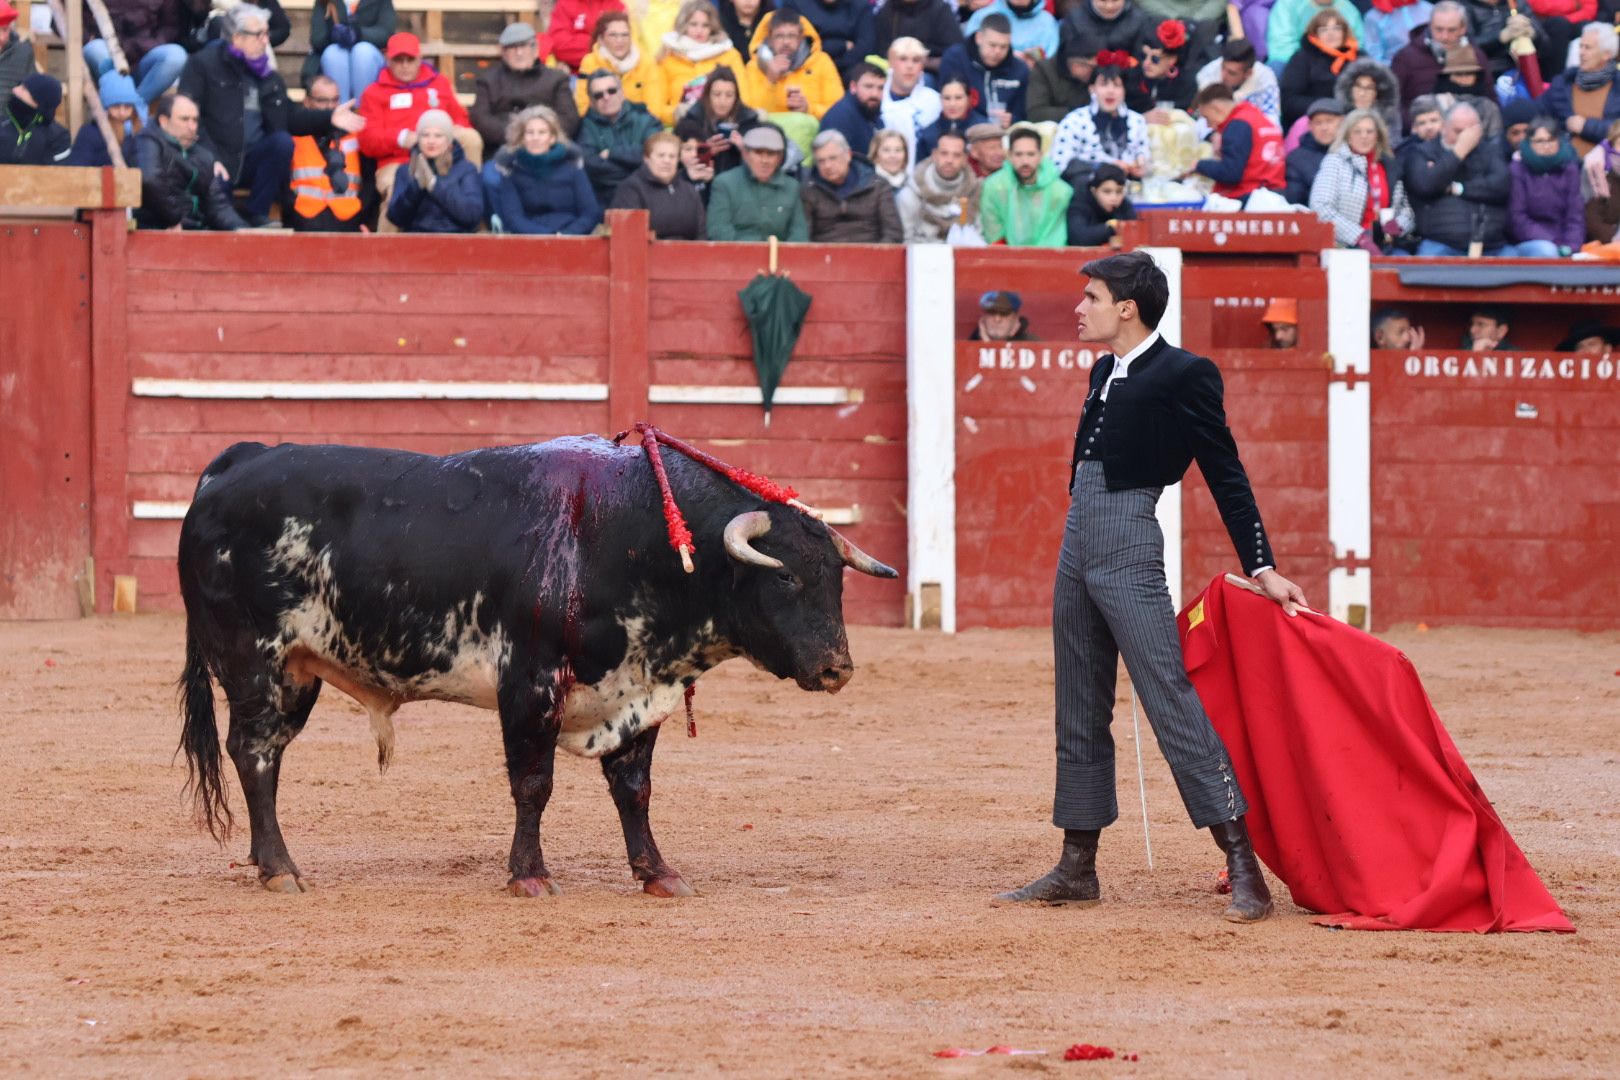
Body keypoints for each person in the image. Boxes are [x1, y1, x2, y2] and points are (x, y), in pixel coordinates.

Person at [996, 250, 1307, 922]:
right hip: (1079, 538)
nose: (1079, 308)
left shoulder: (1186, 372)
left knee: (1169, 694)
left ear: (1126, 307)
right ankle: (1078, 866)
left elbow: (1225, 471)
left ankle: (1243, 862)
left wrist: (1262, 565)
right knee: (1078, 702)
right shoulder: (1103, 368)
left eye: (1092, 298)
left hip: (1131, 539)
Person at [179, 4, 362, 226]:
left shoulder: (267, 74)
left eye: (267, 33)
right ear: (237, 38)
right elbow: (187, 116)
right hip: (215, 159)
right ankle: (225, 224)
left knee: (282, 142)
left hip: (252, 160)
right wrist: (209, 157)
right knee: (214, 185)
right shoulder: (202, 65)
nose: (267, 40)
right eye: (260, 35)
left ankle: (258, 212)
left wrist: (328, 117)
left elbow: (290, 115)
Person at [357, 31, 481, 230]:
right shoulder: (375, 92)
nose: (405, 65)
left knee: (471, 137)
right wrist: (400, 138)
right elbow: (367, 140)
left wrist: (444, 132)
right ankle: (383, 253)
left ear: (420, 59)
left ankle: (473, 190)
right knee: (393, 199)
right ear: (388, 60)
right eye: (398, 60)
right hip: (399, 163)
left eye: (410, 59)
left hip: (445, 161)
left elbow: (460, 118)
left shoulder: (438, 83)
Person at [1403, 102, 1519, 255]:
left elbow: (1501, 186)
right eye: (1458, 131)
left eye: (1470, 131)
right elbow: (1426, 184)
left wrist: (1458, 188)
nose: (1465, 137)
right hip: (1441, 243)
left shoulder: (1491, 151)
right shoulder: (1422, 152)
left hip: (1491, 244)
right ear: (1444, 127)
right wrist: (1458, 152)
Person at [133, 92, 246, 228]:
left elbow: (218, 206)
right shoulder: (147, 141)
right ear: (164, 121)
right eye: (185, 119)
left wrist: (243, 230)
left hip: (195, 232)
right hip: (156, 231)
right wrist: (174, 219)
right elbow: (150, 180)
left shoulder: (203, 156)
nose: (192, 127)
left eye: (195, 120)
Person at [1310, 106, 1414, 250]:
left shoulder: (1390, 164)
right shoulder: (1335, 161)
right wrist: (1359, 237)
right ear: (1348, 136)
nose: (1364, 136)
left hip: (1388, 242)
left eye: (1369, 131)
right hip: (1346, 244)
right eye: (1357, 131)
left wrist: (1398, 226)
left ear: (1378, 135)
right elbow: (1320, 207)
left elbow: (1407, 210)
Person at [472, 22, 580, 154]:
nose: (519, 53)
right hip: (503, 149)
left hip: (549, 150)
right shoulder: (488, 81)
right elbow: (481, 119)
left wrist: (540, 137)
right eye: (512, 47)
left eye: (524, 46)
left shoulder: (557, 79)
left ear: (535, 50)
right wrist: (519, 137)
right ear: (503, 53)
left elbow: (569, 119)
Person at [494, 104, 603, 233]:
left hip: (572, 239)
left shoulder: (572, 167)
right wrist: (547, 238)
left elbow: (590, 212)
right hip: (530, 241)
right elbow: (514, 218)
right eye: (530, 132)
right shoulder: (511, 171)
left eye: (542, 132)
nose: (536, 138)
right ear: (522, 138)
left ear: (552, 138)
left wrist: (567, 235)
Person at [1050, 61, 1150, 185]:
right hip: (1086, 191)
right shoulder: (1074, 120)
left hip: (1129, 189)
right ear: (1092, 89)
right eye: (1104, 84)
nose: (1110, 91)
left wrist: (1140, 167)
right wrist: (1103, 167)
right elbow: (1059, 165)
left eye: (1117, 85)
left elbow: (1144, 157)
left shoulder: (1137, 121)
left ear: (1124, 91)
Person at [576, 70, 665, 206]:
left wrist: (612, 153)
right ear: (592, 101)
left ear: (622, 92)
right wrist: (635, 169)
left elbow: (657, 157)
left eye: (611, 91)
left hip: (649, 195)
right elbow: (592, 167)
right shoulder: (584, 127)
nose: (606, 97)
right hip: (606, 200)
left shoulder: (646, 120)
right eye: (598, 95)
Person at [286, 75, 363, 230]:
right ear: (306, 102)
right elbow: (282, 183)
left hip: (349, 218)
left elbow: (368, 180)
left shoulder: (354, 133)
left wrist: (363, 218)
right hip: (305, 218)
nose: (330, 106)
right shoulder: (293, 136)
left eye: (335, 100)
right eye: (322, 100)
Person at [706, 122, 810, 238]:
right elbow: (719, 231)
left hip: (780, 254)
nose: (764, 160)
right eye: (758, 152)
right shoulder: (724, 183)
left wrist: (781, 254)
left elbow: (799, 234)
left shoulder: (792, 187)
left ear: (780, 158)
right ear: (745, 154)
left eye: (771, 154)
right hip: (736, 254)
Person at [83, 0, 190, 112]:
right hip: (109, 62)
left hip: (144, 59)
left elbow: (170, 26)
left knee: (176, 56)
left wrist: (149, 44)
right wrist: (88, 37)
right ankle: (120, 104)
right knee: (95, 48)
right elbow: (76, 18)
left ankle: (133, 109)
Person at [386, 108, 483, 231]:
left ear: (448, 141)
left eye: (438, 135)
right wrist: (416, 187)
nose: (431, 141)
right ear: (418, 139)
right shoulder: (405, 170)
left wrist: (434, 186)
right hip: (416, 242)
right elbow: (395, 217)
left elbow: (472, 215)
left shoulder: (466, 169)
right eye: (425, 135)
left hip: (457, 242)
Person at [1188, 82, 1286, 201]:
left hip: (1248, 198)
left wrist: (1199, 165)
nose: (1209, 125)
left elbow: (1231, 173)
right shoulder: (1259, 119)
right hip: (1273, 194)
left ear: (1216, 108)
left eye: (1207, 117)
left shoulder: (1237, 126)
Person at [800, 128, 903, 241]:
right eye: (821, 161)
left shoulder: (877, 186)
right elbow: (803, 237)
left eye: (833, 158)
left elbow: (893, 233)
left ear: (848, 155)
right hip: (824, 255)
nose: (827, 165)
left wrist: (877, 256)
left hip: (871, 253)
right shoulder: (809, 190)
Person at [1391, 1, 1487, 121]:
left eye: (1451, 30)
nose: (1444, 37)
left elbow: (1489, 98)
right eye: (1439, 29)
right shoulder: (1405, 58)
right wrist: (1415, 125)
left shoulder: (1476, 56)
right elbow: (1392, 103)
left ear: (1463, 28)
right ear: (1430, 26)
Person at [980, 124, 1072, 245]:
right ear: (1009, 155)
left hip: (1050, 258)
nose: (1025, 161)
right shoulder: (994, 186)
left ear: (1041, 155)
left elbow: (1057, 237)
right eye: (1019, 154)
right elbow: (993, 232)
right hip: (1006, 258)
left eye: (1030, 154)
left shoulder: (1061, 191)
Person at [656, 0, 746, 124]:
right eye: (693, 24)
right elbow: (656, 107)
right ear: (683, 25)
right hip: (680, 127)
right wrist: (679, 114)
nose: (699, 30)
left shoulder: (730, 55)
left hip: (724, 125)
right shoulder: (666, 58)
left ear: (713, 27)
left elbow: (745, 98)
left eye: (705, 25)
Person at [741, 10, 842, 118]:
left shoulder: (821, 61)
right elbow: (751, 114)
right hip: (769, 131)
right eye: (779, 36)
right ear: (769, 39)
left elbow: (838, 110)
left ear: (800, 38)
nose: (786, 42)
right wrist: (771, 80)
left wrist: (808, 109)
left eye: (792, 36)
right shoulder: (754, 66)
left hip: (813, 130)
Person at [1540, 23, 1620, 158]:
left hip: (1609, 169)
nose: (1581, 52)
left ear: (1606, 54)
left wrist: (1586, 127)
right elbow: (1540, 114)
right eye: (1580, 46)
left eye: (1587, 48)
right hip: (1565, 167)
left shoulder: (1617, 86)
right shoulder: (1563, 83)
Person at [1507, 116, 1582, 257]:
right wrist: (1554, 242)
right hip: (1529, 242)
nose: (1547, 146)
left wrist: (1572, 247)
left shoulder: (1569, 169)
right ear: (1529, 143)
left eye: (1551, 140)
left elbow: (1575, 215)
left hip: (1564, 243)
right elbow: (1518, 219)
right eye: (1540, 141)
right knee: (1547, 251)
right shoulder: (1518, 170)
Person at [610, 129, 707, 237]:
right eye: (661, 155)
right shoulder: (631, 189)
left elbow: (701, 233)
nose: (667, 161)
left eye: (672, 156)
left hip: (690, 253)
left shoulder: (689, 190)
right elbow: (628, 235)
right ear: (646, 158)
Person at [940, 13, 1031, 127]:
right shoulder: (956, 59)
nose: (998, 52)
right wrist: (983, 122)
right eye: (992, 45)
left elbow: (1023, 112)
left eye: (1004, 47)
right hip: (963, 127)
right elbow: (948, 102)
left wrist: (1012, 120)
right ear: (979, 38)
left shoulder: (1020, 70)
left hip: (1005, 132)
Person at [674, 65, 762, 176]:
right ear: (707, 96)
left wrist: (745, 149)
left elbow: (766, 165)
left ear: (736, 98)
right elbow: (674, 164)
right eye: (717, 94)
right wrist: (704, 152)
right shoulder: (689, 124)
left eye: (729, 95)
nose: (722, 101)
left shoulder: (750, 123)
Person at [896, 129, 982, 241]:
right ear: (934, 155)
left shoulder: (974, 192)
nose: (949, 160)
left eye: (956, 155)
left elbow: (979, 234)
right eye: (944, 153)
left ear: (965, 159)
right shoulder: (911, 194)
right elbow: (904, 241)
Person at [1280, 7, 1359, 128]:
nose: (1331, 33)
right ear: (1315, 34)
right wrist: (1326, 109)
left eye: (1336, 28)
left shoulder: (1359, 58)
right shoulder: (1302, 58)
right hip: (1313, 121)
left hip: (1351, 122)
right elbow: (1289, 100)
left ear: (1344, 32)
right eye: (1323, 30)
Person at [302, 0, 394, 102]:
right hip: (334, 59)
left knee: (362, 51)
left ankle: (363, 110)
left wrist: (358, 33)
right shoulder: (324, 1)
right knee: (334, 52)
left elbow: (386, 33)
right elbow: (316, 39)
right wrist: (334, 35)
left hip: (369, 58)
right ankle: (341, 110)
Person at [576, 12, 666, 113]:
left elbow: (654, 107)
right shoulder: (590, 62)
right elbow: (583, 106)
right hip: (600, 125)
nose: (620, 40)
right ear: (601, 39)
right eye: (613, 35)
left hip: (639, 125)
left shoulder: (647, 62)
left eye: (625, 35)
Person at [781, 0, 874, 81]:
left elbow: (865, 46)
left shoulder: (859, 5)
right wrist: (840, 46)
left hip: (849, 68)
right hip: (807, 66)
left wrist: (834, 66)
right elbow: (797, 46)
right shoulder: (795, 3)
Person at [1195, 37, 1281, 124]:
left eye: (1231, 73)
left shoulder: (1265, 79)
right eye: (1222, 68)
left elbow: (1272, 122)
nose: (1223, 75)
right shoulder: (1208, 73)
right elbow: (1203, 120)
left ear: (1248, 73)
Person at [878, 36, 942, 152]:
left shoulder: (934, 102)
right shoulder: (875, 98)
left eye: (916, 60)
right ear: (891, 62)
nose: (909, 66)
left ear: (922, 66)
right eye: (903, 59)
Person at [872, 0, 963, 78]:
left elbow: (955, 51)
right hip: (893, 71)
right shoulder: (888, 9)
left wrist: (923, 59)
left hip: (929, 72)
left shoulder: (940, 10)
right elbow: (880, 47)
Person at [68, 71, 142, 166]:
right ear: (105, 108)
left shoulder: (135, 134)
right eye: (116, 106)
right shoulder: (89, 133)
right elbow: (77, 169)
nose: (122, 113)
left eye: (127, 107)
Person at [1125, 18, 1195, 116]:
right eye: (1144, 56)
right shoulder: (1132, 77)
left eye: (1155, 59)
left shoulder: (1185, 83)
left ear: (1172, 59)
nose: (1146, 63)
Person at [1028, 30, 1099, 123]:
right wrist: (1077, 113)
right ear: (1074, 64)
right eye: (1089, 66)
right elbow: (1036, 113)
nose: (1093, 71)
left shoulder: (1097, 74)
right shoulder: (1044, 70)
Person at [1431, 45, 1501, 139]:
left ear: (1477, 76)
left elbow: (1495, 141)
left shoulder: (1488, 107)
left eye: (1468, 73)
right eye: (1458, 74)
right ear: (1448, 77)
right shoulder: (1435, 103)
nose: (1464, 78)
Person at [1267, 0, 1364, 67]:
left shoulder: (1347, 8)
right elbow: (1281, 45)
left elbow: (1358, 43)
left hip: (1340, 61)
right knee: (1277, 66)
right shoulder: (1288, 4)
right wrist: (1310, 63)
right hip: (1301, 63)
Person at [0, 72, 70, 164]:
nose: (15, 89)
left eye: (24, 88)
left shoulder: (58, 138)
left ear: (39, 101)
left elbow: (59, 175)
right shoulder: (3, 124)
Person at [963, 0, 1059, 67]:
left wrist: (1035, 61)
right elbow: (969, 50)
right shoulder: (982, 16)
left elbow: (1052, 59)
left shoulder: (1048, 22)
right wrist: (1008, 56)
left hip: (1033, 81)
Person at [820, 61, 886, 156]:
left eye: (880, 88)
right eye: (869, 86)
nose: (875, 94)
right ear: (853, 87)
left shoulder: (871, 111)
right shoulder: (839, 118)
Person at [1284, 97, 1342, 203]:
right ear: (1310, 126)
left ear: (1342, 121)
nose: (1324, 128)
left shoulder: (1354, 153)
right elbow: (1294, 199)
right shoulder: (1296, 159)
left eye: (1329, 121)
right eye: (1318, 123)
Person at [1065, 160, 1136, 246]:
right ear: (1094, 191)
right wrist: (1114, 228)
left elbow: (1134, 232)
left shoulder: (1124, 205)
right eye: (1107, 191)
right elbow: (1078, 238)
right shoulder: (1079, 203)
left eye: (1119, 191)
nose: (1114, 198)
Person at [915, 76, 985, 158]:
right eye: (947, 98)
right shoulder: (928, 134)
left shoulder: (983, 129)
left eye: (958, 98)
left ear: (969, 99)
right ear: (940, 99)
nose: (952, 104)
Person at [1334, 57, 1402, 142]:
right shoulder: (1337, 114)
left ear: (1378, 93)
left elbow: (1391, 149)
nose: (1362, 93)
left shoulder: (1389, 119)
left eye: (1369, 88)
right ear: (1349, 89)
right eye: (1358, 86)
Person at [549, 0, 627, 71]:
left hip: (611, 74)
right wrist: (598, 44)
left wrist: (578, 39)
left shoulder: (615, 5)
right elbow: (559, 45)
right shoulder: (565, 4)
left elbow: (621, 47)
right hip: (576, 75)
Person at [1060, 0, 1153, 57]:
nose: (1109, 6)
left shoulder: (1139, 20)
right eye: (1103, 0)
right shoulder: (1073, 20)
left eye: (1115, 0)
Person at [1362, 0, 1431, 64]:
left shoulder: (1428, 9)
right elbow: (1374, 56)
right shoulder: (1374, 17)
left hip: (1429, 69)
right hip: (1393, 72)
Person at [0, 0, 31, 113]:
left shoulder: (23, 52)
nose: (1, 38)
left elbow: (31, 93)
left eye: (5, 29)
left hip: (9, 126)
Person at [968, 289, 1036, 339]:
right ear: (983, 318)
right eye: (992, 312)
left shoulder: (1034, 346)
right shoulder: (965, 348)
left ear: (1015, 320)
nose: (997, 319)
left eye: (1004, 313)